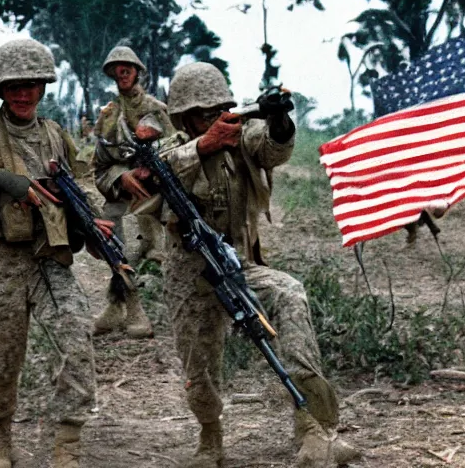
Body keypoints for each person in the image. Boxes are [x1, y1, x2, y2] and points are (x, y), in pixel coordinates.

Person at [135, 62, 361, 467]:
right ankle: (210, 439)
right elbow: (153, 176)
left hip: (237, 262)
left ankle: (314, 430)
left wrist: (279, 121)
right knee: (199, 364)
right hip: (189, 274)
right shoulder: (170, 148)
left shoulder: (242, 137)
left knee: (289, 294)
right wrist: (204, 144)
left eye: (219, 108)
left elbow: (272, 149)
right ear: (183, 116)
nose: (214, 118)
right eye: (202, 113)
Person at [0, 38, 110, 468]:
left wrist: (94, 218)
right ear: (0, 91)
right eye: (14, 86)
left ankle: (67, 443)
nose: (23, 93)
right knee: (1, 354)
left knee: (75, 336)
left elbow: (82, 181)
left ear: (43, 87)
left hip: (49, 257)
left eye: (31, 84)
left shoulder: (54, 135)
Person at [90, 46, 173, 338]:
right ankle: (128, 309)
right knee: (113, 245)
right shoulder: (109, 114)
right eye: (117, 69)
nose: (122, 73)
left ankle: (122, 307)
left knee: (153, 249)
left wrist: (152, 171)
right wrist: (122, 176)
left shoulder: (157, 109)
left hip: (154, 194)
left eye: (127, 68)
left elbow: (179, 150)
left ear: (137, 71)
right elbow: (99, 165)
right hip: (119, 191)